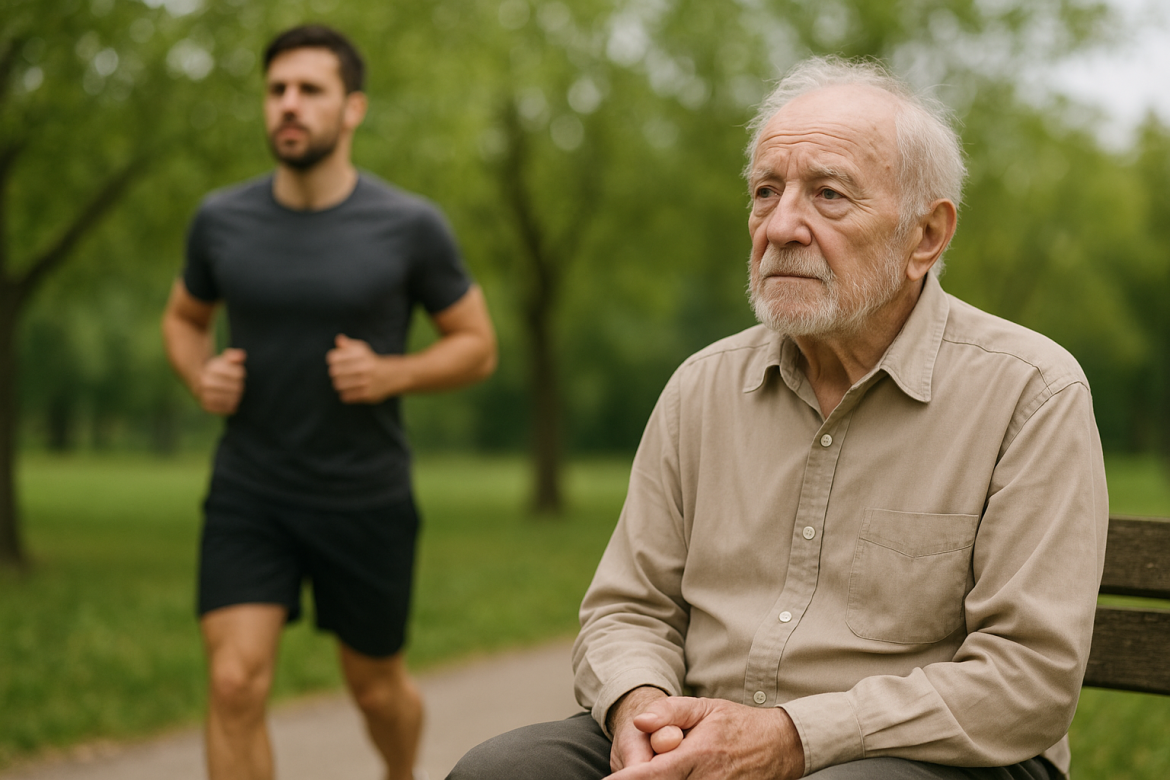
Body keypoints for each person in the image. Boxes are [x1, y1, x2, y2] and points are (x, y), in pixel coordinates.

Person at [446, 56, 1107, 780]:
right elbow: (628, 610)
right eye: (766, 192)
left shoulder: (1030, 392)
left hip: (928, 755)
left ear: (926, 237)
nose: (782, 225)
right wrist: (643, 713)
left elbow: (1027, 681)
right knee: (499, 770)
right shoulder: (702, 387)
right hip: (699, 727)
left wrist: (790, 737)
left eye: (828, 194)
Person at [161, 24, 496, 780]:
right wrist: (197, 374)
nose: (288, 104)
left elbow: (477, 344)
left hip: (363, 493)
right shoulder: (221, 220)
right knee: (233, 682)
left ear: (352, 110)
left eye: (310, 90)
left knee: (376, 692)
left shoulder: (410, 226)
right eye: (277, 90)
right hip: (251, 488)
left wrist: (394, 373)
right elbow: (184, 319)